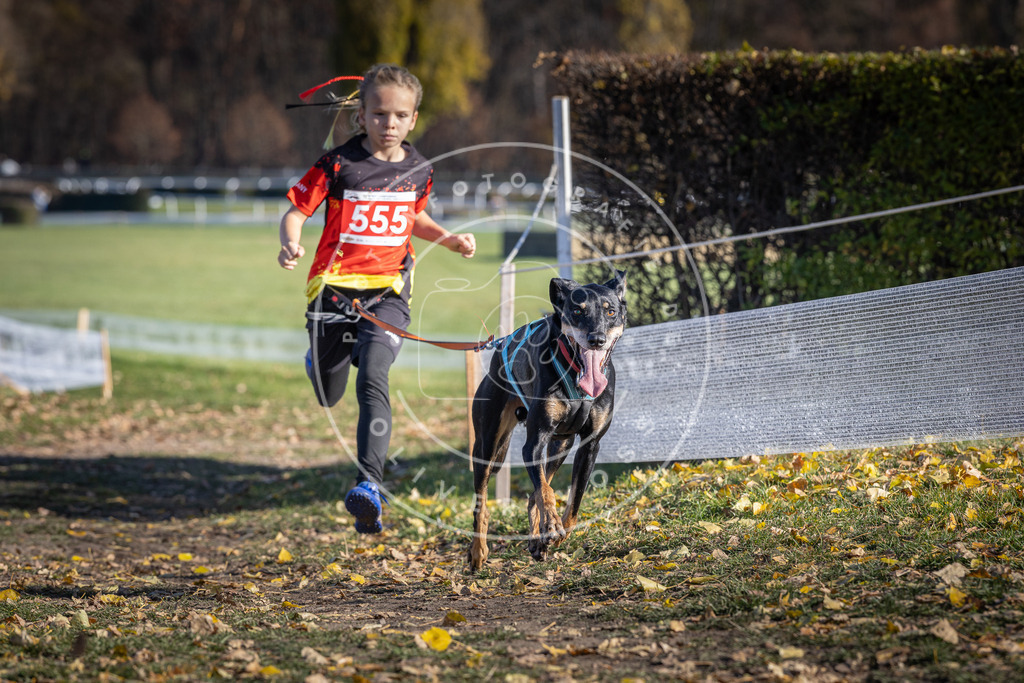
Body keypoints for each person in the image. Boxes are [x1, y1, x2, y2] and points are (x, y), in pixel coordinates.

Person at [277, 64, 476, 534]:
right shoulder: (338, 165)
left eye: (400, 115)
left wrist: (447, 239)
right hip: (333, 290)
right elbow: (296, 211)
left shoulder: (419, 169)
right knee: (329, 392)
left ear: (414, 118)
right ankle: (319, 361)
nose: (390, 122)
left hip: (388, 292)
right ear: (361, 114)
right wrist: (289, 241)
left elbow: (414, 217)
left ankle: (369, 486)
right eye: (380, 113)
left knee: (374, 375)